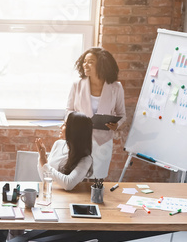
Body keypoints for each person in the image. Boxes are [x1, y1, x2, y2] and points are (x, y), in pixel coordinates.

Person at [67, 47, 126, 179]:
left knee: (97, 180)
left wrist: (116, 125)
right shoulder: (77, 84)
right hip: (79, 139)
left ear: (102, 64)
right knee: (76, 178)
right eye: (84, 61)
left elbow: (122, 114)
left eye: (90, 62)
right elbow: (69, 110)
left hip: (102, 142)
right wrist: (71, 124)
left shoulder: (116, 87)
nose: (85, 65)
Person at [35, 111, 93, 191]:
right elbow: (45, 178)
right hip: (52, 194)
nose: (61, 127)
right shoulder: (58, 144)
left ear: (74, 131)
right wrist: (41, 157)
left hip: (70, 199)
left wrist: (45, 164)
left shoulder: (86, 159)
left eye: (65, 125)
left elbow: (69, 184)